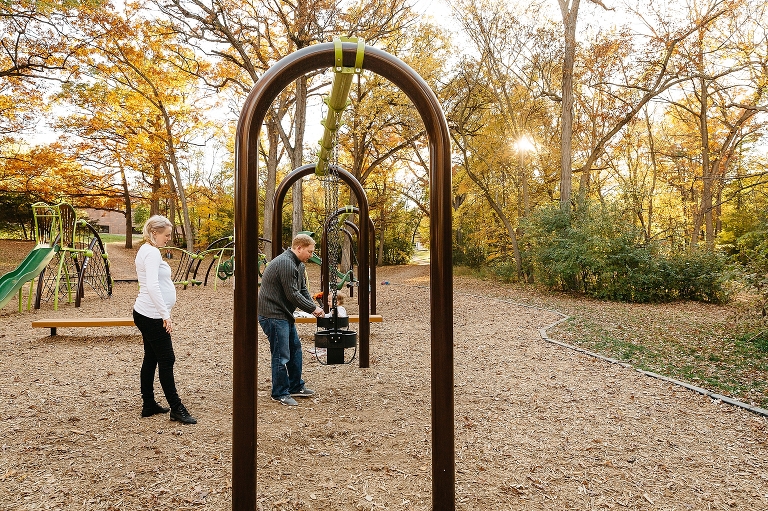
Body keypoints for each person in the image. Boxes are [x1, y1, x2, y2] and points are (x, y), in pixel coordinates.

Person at [133, 215, 197, 424]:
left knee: (151, 358)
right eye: (166, 235)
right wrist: (165, 314)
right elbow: (151, 286)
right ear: (154, 233)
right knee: (167, 359)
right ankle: (176, 407)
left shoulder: (146, 249)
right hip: (151, 315)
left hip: (146, 312)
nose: (169, 238)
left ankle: (149, 404)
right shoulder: (151, 252)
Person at [258, 233, 324, 406]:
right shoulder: (286, 263)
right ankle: (279, 393)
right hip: (272, 314)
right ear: (298, 248)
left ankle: (296, 386)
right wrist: (313, 309)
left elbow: (302, 291)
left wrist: (316, 308)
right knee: (281, 355)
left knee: (295, 350)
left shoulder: (299, 265)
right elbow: (292, 294)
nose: (311, 255)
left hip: (284, 314)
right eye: (309, 252)